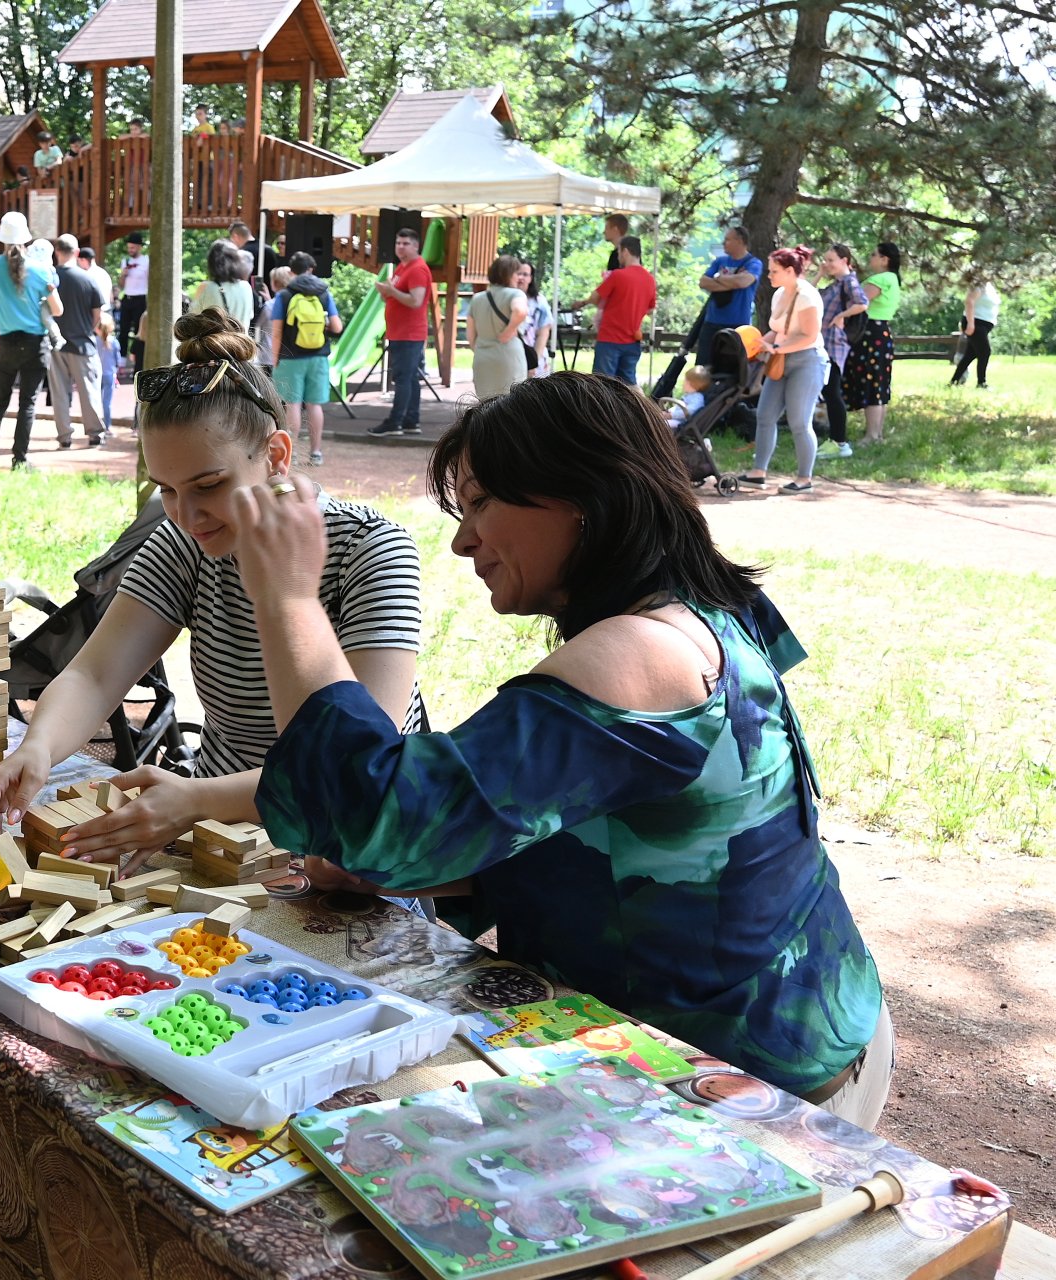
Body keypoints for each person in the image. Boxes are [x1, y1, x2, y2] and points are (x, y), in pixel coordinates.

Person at [229, 372, 890, 1126]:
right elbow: (616, 829)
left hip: (754, 1088)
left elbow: (380, 825)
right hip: (801, 1027)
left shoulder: (639, 654)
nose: (462, 538)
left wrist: (286, 598)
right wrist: (449, 867)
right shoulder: (709, 608)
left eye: (481, 502)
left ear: (583, 497)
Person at [0, 309, 425, 868]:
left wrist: (196, 798)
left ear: (276, 455)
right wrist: (39, 746)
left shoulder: (371, 549)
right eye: (165, 489)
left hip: (344, 855)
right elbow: (95, 674)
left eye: (209, 485)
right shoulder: (186, 543)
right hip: (218, 836)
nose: (188, 515)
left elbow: (361, 768)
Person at [0, 211, 62, 469]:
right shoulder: (41, 270)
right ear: (25, 238)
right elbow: (57, 310)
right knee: (27, 403)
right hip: (36, 343)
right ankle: (19, 459)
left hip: (7, 340)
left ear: (1, 236)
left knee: (0, 399)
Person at [739, 246, 824, 494]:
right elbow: (777, 329)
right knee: (764, 416)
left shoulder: (807, 296)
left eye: (774, 271)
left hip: (807, 361)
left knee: (799, 421)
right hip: (781, 360)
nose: (769, 275)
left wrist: (775, 347)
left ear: (790, 271)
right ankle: (758, 473)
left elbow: (809, 336)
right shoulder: (779, 294)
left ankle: (804, 479)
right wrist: (756, 344)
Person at [268, 251, 342, 467]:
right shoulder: (324, 294)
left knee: (292, 404)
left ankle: (294, 453)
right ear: (312, 269)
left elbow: (277, 331)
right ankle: (316, 452)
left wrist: (274, 359)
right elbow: (337, 327)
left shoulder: (284, 295)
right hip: (318, 357)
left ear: (291, 271)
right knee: (314, 405)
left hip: (290, 357)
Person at [370, 226, 433, 437]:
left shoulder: (417, 269)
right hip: (399, 332)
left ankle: (395, 422)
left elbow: (415, 301)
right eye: (398, 243)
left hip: (409, 334)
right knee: (410, 378)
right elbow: (392, 297)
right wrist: (386, 292)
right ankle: (410, 421)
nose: (400, 247)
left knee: (403, 378)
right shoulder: (402, 267)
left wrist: (391, 291)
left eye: (406, 243)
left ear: (416, 246)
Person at [47, 234, 108, 448]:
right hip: (83, 343)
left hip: (55, 344)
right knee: (89, 390)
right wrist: (86, 329)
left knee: (59, 393)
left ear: (57, 252)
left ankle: (64, 436)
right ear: (76, 252)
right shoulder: (88, 279)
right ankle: (94, 434)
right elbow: (97, 314)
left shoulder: (49, 278)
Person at [843, 242, 901, 444]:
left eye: (874, 255)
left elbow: (858, 301)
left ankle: (871, 435)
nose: (871, 258)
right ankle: (877, 434)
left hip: (870, 334)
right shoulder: (892, 278)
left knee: (871, 384)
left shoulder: (880, 279)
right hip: (881, 333)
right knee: (880, 384)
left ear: (885, 260)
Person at [816, 244, 869, 458]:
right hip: (824, 343)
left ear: (845, 261)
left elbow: (862, 303)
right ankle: (835, 440)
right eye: (825, 260)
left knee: (832, 391)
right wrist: (819, 274)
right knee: (829, 391)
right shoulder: (835, 284)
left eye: (831, 260)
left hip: (834, 345)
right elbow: (808, 295)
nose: (827, 264)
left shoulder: (848, 282)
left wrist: (841, 316)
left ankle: (839, 442)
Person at [582, 236, 656, 385]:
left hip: (610, 338)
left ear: (625, 252)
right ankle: (643, 406)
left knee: (601, 384)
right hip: (632, 340)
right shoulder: (649, 279)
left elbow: (595, 297)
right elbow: (650, 309)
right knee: (629, 384)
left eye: (619, 253)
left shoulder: (617, 275)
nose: (618, 256)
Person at [466, 255, 528, 401]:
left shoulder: (477, 298)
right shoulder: (516, 294)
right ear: (509, 274)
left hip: (482, 358)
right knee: (512, 404)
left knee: (484, 406)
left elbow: (470, 336)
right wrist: (509, 330)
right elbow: (520, 311)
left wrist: (480, 348)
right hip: (509, 356)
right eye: (516, 273)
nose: (518, 278)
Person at [697, 227, 762, 363]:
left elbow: (744, 282)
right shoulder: (719, 262)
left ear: (739, 241)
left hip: (737, 325)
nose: (723, 243)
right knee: (704, 366)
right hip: (712, 323)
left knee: (732, 368)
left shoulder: (753, 263)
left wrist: (718, 278)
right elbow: (703, 282)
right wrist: (733, 282)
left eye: (727, 239)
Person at [191, 238, 255, 334]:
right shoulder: (246, 287)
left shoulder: (206, 287)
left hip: (215, 345)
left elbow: (193, 318)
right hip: (241, 345)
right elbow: (250, 316)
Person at [951, 281, 999, 389]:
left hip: (983, 325)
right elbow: (969, 301)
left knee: (970, 354)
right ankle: (981, 383)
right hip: (975, 323)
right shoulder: (978, 285)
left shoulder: (989, 286)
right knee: (985, 352)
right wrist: (971, 324)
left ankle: (954, 381)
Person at [117, 232, 149, 368]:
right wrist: (123, 275)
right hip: (127, 297)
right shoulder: (125, 261)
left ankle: (137, 357)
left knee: (138, 330)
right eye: (129, 248)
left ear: (139, 247)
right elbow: (121, 285)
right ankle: (122, 358)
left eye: (133, 248)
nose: (130, 250)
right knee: (123, 329)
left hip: (141, 298)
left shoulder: (146, 261)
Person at [516, 259, 553, 379]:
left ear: (531, 278)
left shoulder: (539, 302)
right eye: (518, 273)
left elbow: (543, 333)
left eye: (525, 274)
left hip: (535, 355)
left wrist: (533, 362)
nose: (521, 277)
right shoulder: (505, 299)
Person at [256, 264, 293, 367]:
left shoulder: (269, 306)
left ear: (275, 283)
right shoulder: (296, 303)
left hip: (268, 357)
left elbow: (257, 323)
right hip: (289, 356)